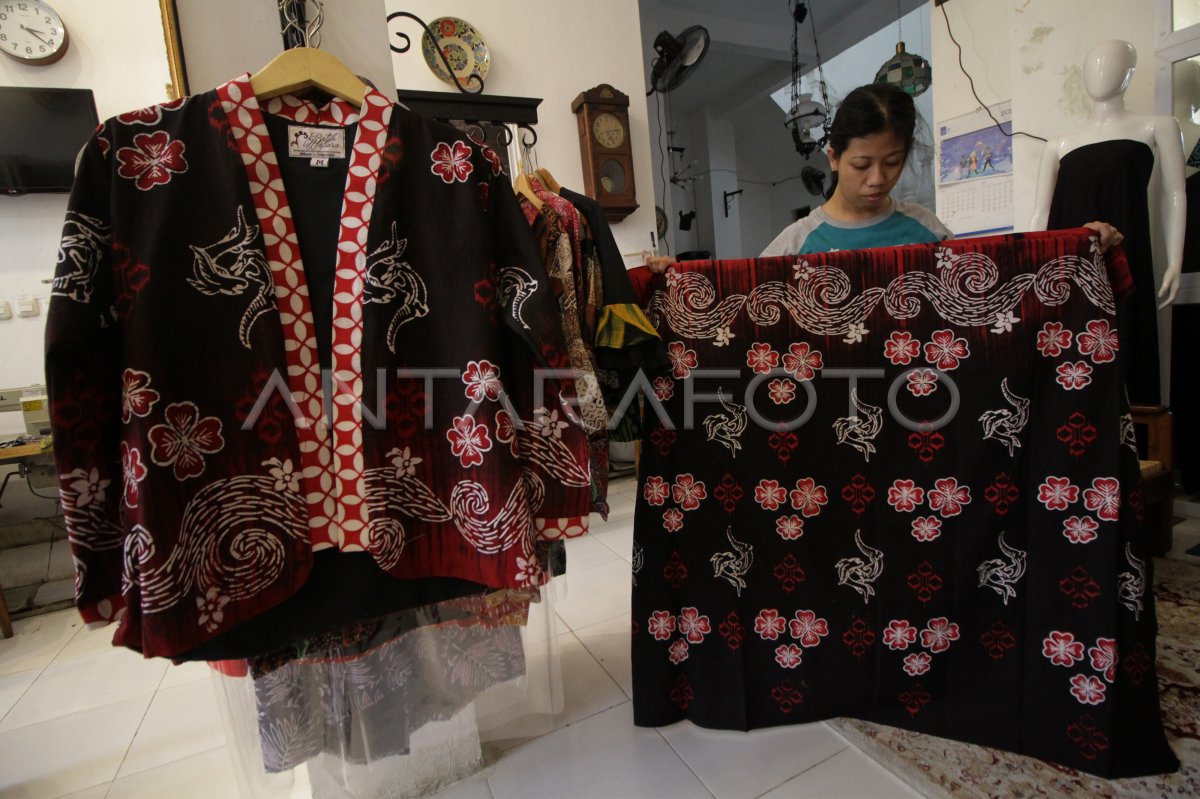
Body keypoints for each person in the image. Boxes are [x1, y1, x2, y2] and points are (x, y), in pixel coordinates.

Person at [759, 82, 1122, 258]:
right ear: (833, 157)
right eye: (861, 165)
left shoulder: (925, 229)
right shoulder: (796, 244)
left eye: (892, 162)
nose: (878, 179)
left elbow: (995, 282)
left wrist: (1077, 246)